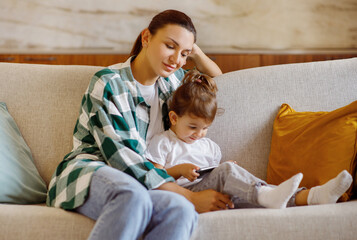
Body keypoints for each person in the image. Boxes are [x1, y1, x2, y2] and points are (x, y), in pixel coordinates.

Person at [46, 9, 224, 240]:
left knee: (180, 210)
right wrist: (189, 196)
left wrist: (191, 48)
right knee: (135, 195)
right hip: (94, 171)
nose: (176, 60)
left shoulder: (172, 82)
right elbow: (122, 159)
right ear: (146, 38)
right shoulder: (109, 83)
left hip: (142, 182)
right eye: (170, 46)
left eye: (184, 54)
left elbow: (215, 81)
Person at [145, 69, 353, 209]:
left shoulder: (209, 147)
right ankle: (273, 196)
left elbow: (214, 175)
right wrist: (179, 169)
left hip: (213, 193)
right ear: (173, 118)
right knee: (229, 173)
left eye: (205, 128)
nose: (198, 134)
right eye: (193, 127)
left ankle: (312, 197)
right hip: (183, 192)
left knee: (243, 183)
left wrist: (225, 167)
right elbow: (153, 176)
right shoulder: (163, 142)